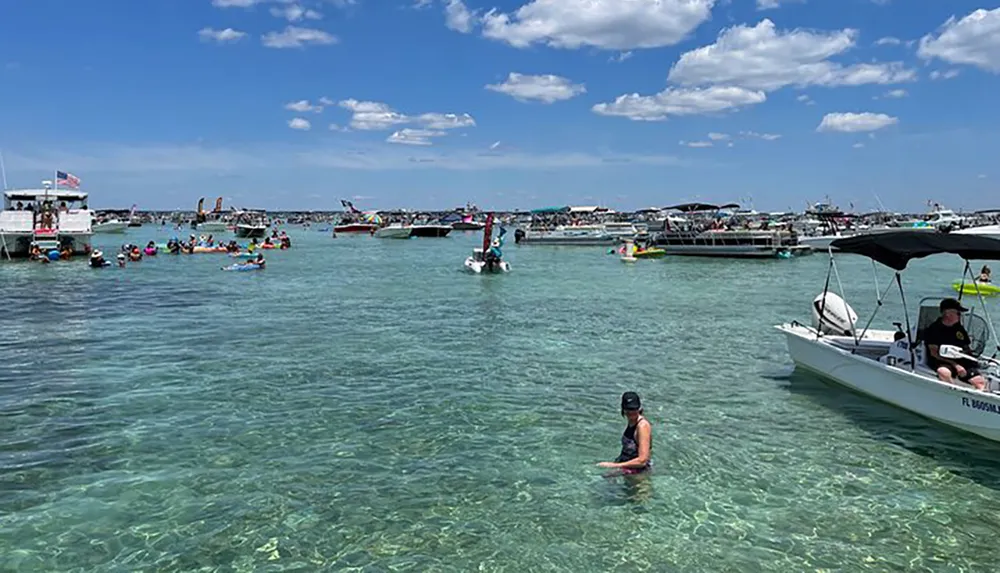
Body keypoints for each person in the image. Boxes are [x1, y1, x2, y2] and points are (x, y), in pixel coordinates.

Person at [924, 298, 987, 390]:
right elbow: (934, 353)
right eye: (958, 313)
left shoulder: (958, 328)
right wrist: (955, 365)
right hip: (943, 361)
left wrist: (972, 360)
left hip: (961, 361)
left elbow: (966, 346)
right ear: (948, 313)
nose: (960, 316)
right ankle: (953, 393)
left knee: (979, 381)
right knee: (943, 373)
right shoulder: (934, 330)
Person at [597, 392, 652, 474]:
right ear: (623, 409)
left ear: (639, 408)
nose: (631, 412)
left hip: (639, 473)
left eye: (634, 409)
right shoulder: (631, 422)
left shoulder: (642, 426)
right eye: (628, 409)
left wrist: (613, 465)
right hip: (626, 469)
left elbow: (642, 460)